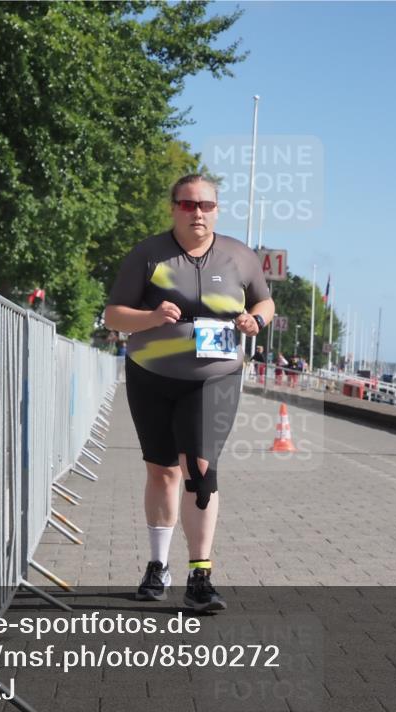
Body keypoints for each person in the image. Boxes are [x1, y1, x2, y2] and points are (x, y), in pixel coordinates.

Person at [103, 173, 275, 612]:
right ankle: (158, 566)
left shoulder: (240, 256)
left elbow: (265, 301)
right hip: (152, 374)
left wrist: (256, 320)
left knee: (199, 469)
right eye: (187, 204)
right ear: (173, 208)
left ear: (217, 210)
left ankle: (201, 574)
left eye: (206, 205)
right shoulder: (148, 254)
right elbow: (113, 316)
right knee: (162, 472)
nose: (197, 213)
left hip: (215, 378)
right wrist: (151, 317)